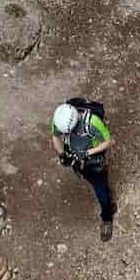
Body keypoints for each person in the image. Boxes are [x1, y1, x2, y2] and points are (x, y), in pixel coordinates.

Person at [51, 99, 115, 241]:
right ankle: (103, 190)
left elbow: (110, 141)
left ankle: (107, 217)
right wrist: (62, 154)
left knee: (100, 189)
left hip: (92, 156)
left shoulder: (92, 123)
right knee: (88, 177)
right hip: (77, 154)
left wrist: (87, 153)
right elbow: (55, 136)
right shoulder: (60, 119)